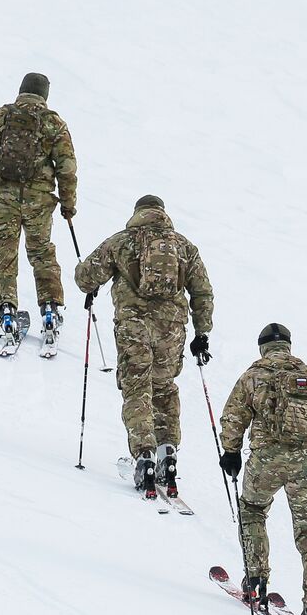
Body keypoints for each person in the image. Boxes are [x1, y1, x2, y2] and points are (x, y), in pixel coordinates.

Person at [74, 195, 214, 497]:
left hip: (133, 327)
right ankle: (168, 454)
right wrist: (201, 333)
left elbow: (86, 277)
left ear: (138, 213)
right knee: (164, 389)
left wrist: (92, 282)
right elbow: (202, 292)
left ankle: (145, 457)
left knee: (138, 389)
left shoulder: (122, 241)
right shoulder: (184, 247)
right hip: (172, 330)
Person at [218, 324, 307, 615]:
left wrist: (231, 452)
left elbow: (233, 417)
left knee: (252, 510)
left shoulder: (254, 375)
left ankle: (255, 580)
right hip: (306, 463)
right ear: (289, 345)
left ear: (262, 347)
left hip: (266, 460)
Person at [0, 73, 78, 342]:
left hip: (3, 199)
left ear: (21, 90)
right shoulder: (54, 123)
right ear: (45, 95)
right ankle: (49, 309)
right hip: (39, 202)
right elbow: (67, 169)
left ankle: (6, 312)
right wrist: (68, 206)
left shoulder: (1, 115)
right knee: (41, 253)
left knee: (5, 254)